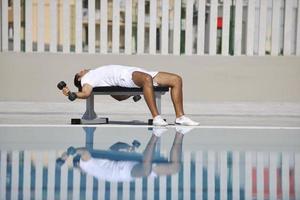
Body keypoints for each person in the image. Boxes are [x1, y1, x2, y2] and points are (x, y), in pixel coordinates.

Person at [61, 65, 199, 126]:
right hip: (126, 77)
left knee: (176, 79)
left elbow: (119, 97)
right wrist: (71, 93)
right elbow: (85, 93)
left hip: (137, 71)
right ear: (79, 79)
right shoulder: (86, 79)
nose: (82, 70)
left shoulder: (94, 72)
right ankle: (156, 117)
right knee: (146, 80)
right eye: (79, 73)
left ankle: (180, 117)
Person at [57, 127, 190, 182]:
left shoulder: (85, 165)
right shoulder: (89, 168)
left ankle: (156, 134)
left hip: (125, 167)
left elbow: (116, 146)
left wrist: (129, 148)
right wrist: (69, 154)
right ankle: (180, 132)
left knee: (146, 169)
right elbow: (84, 152)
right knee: (175, 168)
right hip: (127, 172)